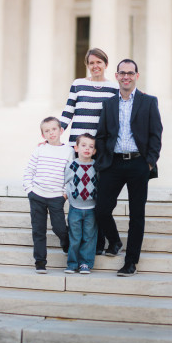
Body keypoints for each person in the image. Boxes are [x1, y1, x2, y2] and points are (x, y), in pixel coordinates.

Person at [94, 59, 163, 277]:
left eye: (130, 73)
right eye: (122, 73)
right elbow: (102, 134)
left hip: (138, 164)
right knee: (101, 209)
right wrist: (103, 160)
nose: (126, 76)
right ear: (116, 76)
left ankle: (131, 262)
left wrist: (149, 161)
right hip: (112, 163)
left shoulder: (149, 102)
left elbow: (156, 134)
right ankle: (114, 241)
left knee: (137, 215)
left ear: (137, 76)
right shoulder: (108, 104)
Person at [59, 47, 118, 254]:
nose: (95, 66)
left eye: (99, 62)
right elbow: (68, 111)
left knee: (96, 195)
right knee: (75, 192)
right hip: (77, 148)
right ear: (87, 65)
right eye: (91, 63)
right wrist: (55, 134)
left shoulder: (113, 88)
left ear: (105, 64)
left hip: (98, 150)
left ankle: (98, 242)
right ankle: (71, 239)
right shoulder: (78, 84)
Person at [22, 116, 74, 274]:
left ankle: (66, 244)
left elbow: (71, 175)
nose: (51, 133)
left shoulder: (69, 151)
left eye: (54, 129)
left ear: (61, 130)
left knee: (59, 228)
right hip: (37, 195)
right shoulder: (40, 149)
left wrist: (64, 194)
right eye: (47, 131)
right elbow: (29, 171)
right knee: (38, 230)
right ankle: (40, 262)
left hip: (56, 197)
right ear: (43, 135)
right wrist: (29, 189)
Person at [63, 133, 98, 275]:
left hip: (91, 208)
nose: (87, 149)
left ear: (94, 151)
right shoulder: (72, 165)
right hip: (75, 208)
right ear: (76, 148)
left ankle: (85, 263)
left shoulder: (96, 166)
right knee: (75, 237)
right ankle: (72, 264)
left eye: (91, 146)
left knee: (89, 237)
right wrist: (68, 196)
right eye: (83, 145)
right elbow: (66, 182)